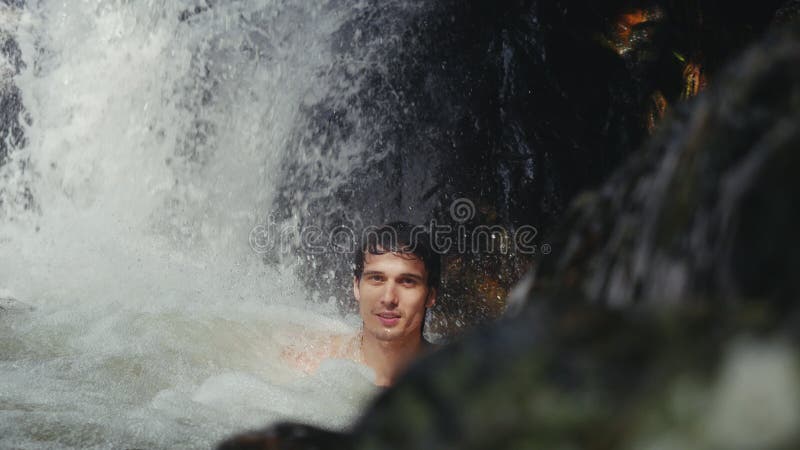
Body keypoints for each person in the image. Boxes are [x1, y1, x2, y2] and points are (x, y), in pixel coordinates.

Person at [283, 221, 440, 387]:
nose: (388, 298)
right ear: (356, 287)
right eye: (377, 279)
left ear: (430, 295)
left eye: (407, 281)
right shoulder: (309, 363)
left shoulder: (456, 376)